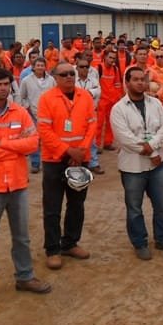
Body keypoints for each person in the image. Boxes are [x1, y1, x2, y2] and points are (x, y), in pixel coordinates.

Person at [0, 68, 51, 314]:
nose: (3, 88)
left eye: (6, 84)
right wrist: (15, 147)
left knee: (22, 237)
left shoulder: (20, 112)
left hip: (17, 184)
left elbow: (33, 143)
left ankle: (24, 276)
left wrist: (1, 143)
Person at [110, 67, 163, 260]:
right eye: (136, 79)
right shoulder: (119, 109)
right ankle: (139, 243)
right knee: (134, 208)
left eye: (143, 79)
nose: (141, 83)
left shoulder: (155, 103)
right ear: (127, 82)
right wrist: (152, 151)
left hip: (157, 165)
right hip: (132, 167)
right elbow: (125, 139)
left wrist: (153, 148)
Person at [37, 62, 97, 270]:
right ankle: (53, 249)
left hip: (80, 159)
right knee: (52, 207)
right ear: (55, 77)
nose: (69, 77)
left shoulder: (85, 96)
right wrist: (67, 151)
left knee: (76, 204)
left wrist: (81, 150)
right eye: (64, 74)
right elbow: (44, 130)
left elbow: (92, 124)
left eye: (72, 73)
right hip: (54, 160)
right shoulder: (46, 99)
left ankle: (70, 243)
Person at [19, 57, 56, 174]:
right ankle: (35, 163)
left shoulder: (51, 80)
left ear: (45, 67)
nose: (40, 67)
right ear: (33, 67)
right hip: (33, 114)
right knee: (34, 139)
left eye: (42, 65)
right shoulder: (26, 80)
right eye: (38, 65)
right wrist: (27, 107)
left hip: (50, 114)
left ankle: (50, 161)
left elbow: (56, 93)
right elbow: (22, 96)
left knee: (49, 138)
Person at [76, 57, 104, 174]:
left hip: (91, 113)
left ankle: (94, 163)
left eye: (86, 67)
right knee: (77, 140)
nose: (84, 69)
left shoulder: (93, 80)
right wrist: (88, 93)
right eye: (81, 67)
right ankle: (79, 163)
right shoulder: (73, 80)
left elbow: (98, 91)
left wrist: (85, 93)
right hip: (75, 115)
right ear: (77, 68)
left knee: (91, 139)